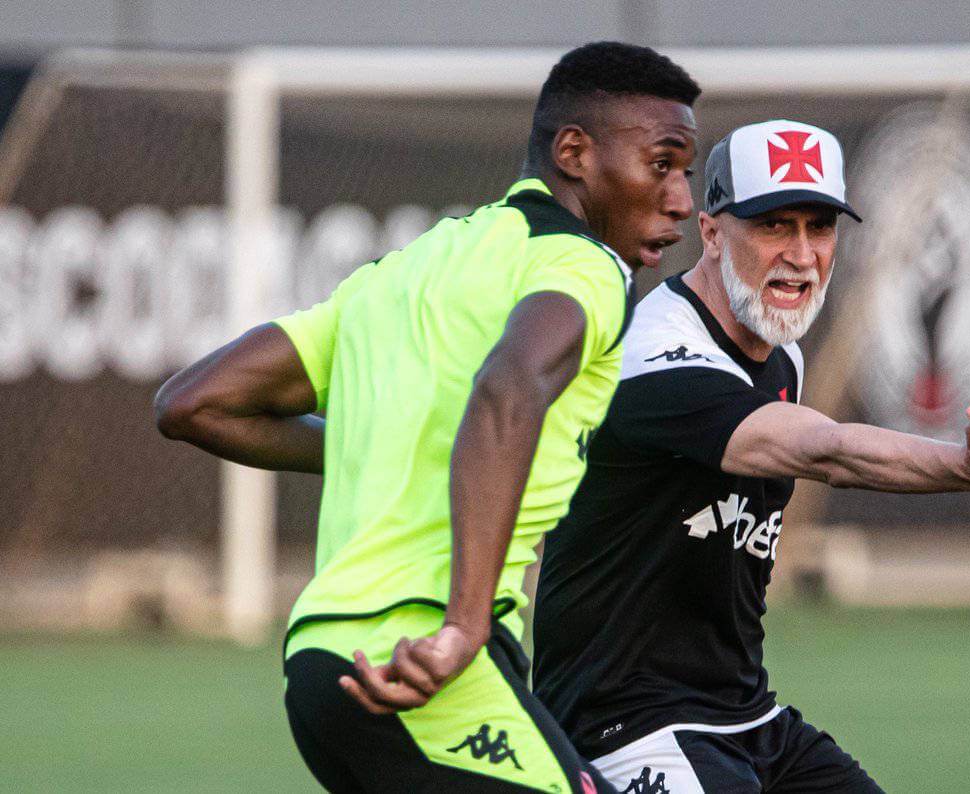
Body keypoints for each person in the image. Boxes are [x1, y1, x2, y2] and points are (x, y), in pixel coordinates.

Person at [154, 42, 700, 793]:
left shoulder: (403, 272)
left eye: (687, 172)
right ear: (574, 152)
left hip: (319, 663)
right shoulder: (583, 267)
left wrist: (379, 445)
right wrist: (464, 626)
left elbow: (194, 402)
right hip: (422, 655)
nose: (682, 200)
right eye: (663, 164)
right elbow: (508, 389)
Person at [531, 119, 970, 793]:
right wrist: (961, 466)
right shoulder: (653, 355)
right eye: (773, 226)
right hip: (622, 724)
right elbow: (826, 449)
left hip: (744, 716)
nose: (802, 254)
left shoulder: (783, 358)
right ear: (711, 233)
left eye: (819, 227)